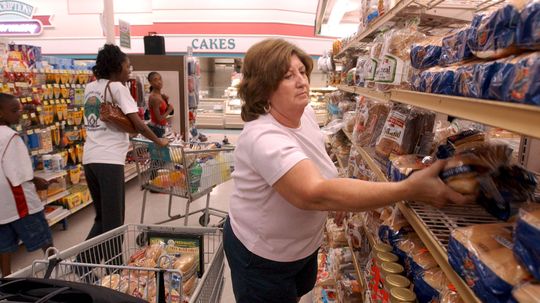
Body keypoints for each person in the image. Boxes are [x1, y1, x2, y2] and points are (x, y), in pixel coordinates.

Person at [223, 39, 472, 303]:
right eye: (287, 76)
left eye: (302, 71)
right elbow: (312, 194)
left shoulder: (302, 112)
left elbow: (314, 160)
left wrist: (335, 191)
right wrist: (408, 188)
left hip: (299, 247)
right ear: (263, 88)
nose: (301, 81)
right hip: (263, 257)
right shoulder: (263, 137)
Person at [78, 45, 168, 273]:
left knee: (102, 219)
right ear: (117, 67)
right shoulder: (118, 87)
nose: (130, 70)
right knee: (114, 222)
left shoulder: (90, 88)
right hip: (109, 160)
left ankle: (81, 264)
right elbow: (137, 124)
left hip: (90, 158)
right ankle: (114, 272)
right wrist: (159, 142)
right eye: (128, 66)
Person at [0, 93, 53, 277]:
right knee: (44, 238)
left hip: (1, 207)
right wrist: (36, 180)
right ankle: (55, 270)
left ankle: (5, 280)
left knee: (4, 246)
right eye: (14, 111)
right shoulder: (10, 137)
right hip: (20, 203)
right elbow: (19, 172)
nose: (19, 115)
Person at [147, 71, 174, 138]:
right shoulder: (155, 98)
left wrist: (165, 100)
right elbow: (159, 119)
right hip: (156, 129)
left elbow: (161, 111)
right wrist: (169, 110)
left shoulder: (159, 95)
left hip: (160, 128)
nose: (159, 82)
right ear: (150, 83)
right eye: (155, 80)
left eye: (160, 79)